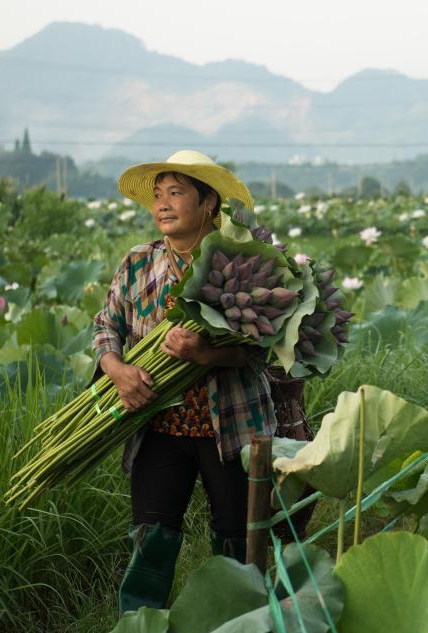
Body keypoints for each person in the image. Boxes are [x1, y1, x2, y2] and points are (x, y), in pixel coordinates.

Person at [91, 150, 277, 616]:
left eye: (176, 193)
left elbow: (263, 349)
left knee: (238, 537)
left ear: (208, 202)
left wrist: (207, 355)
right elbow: (104, 326)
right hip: (158, 424)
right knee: (151, 538)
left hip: (230, 426)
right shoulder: (137, 263)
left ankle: (240, 623)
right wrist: (118, 370)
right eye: (157, 196)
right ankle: (140, 624)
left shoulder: (240, 264)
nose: (163, 205)